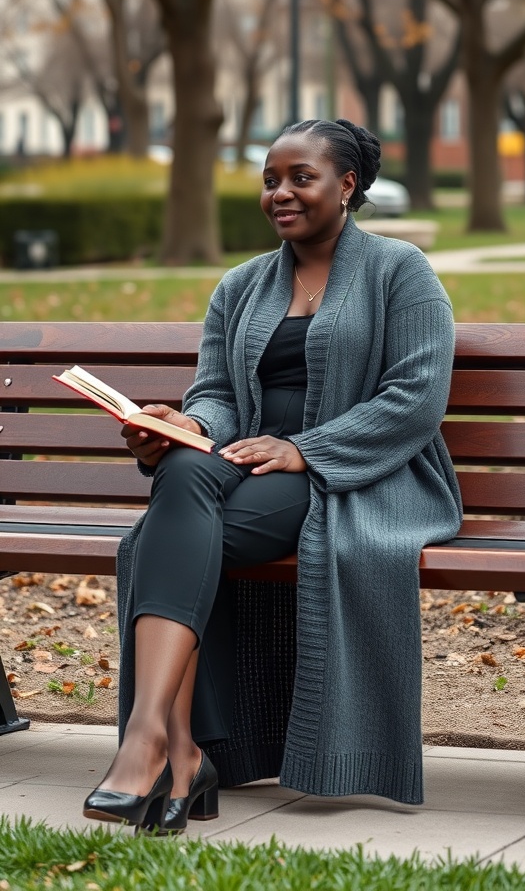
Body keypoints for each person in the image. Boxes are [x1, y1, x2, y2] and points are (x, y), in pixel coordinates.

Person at [83, 118, 462, 833]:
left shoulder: (399, 271)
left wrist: (307, 450)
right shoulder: (242, 285)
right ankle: (170, 743)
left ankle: (161, 747)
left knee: (169, 540)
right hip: (247, 465)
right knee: (181, 478)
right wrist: (186, 429)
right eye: (269, 180)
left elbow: (415, 398)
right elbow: (218, 394)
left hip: (355, 476)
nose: (279, 193)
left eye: (300, 177)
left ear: (347, 185)